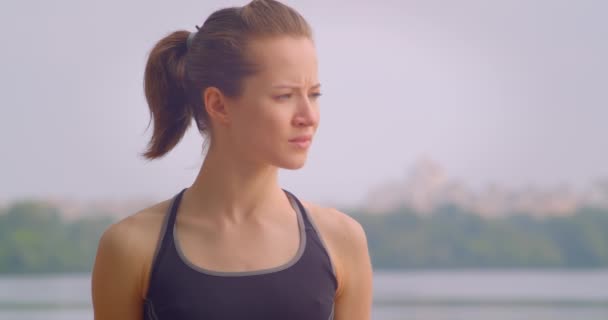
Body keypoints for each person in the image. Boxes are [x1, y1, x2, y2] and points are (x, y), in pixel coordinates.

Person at [91, 0, 373, 319]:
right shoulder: (132, 247)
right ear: (219, 105)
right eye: (284, 96)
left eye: (314, 94)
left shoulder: (342, 240)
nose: (308, 116)